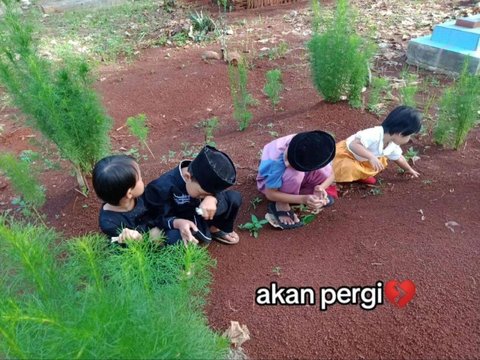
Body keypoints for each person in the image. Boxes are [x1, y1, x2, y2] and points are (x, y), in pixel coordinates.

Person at [144, 145, 242, 246]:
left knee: (233, 198)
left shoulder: (202, 180)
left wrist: (213, 198)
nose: (203, 197)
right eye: (202, 194)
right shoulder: (160, 187)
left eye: (210, 193)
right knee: (170, 237)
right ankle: (191, 242)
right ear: (187, 177)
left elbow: (216, 193)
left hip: (201, 213)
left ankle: (214, 229)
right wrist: (177, 222)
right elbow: (154, 217)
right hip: (180, 221)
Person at [256, 130, 337, 230]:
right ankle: (281, 203)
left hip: (303, 172)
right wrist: (303, 199)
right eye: (287, 158)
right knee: (294, 174)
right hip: (269, 184)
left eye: (291, 162)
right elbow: (270, 194)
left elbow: (332, 174)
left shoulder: (316, 146)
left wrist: (320, 187)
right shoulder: (276, 161)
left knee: (325, 170)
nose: (286, 164)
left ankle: (308, 193)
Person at [333, 105, 422, 185]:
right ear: (401, 133)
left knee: (379, 161)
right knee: (346, 168)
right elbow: (354, 145)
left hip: (363, 160)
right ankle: (330, 179)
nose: (409, 138)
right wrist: (371, 157)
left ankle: (359, 175)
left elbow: (399, 158)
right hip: (348, 155)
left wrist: (408, 169)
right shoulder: (374, 134)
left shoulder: (392, 143)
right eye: (410, 135)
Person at [92, 155, 162, 245]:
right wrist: (139, 239)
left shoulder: (142, 195)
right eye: (139, 178)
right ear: (129, 193)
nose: (142, 179)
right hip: (142, 245)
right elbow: (129, 250)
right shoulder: (109, 222)